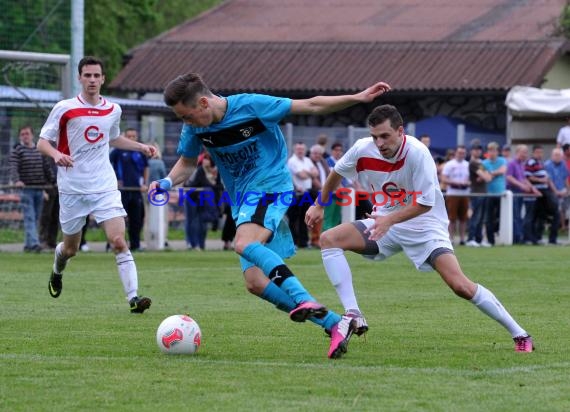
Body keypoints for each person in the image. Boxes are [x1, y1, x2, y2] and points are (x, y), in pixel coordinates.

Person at [150, 72, 391, 358]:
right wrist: (166, 182)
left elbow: (311, 105)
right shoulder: (194, 129)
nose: (185, 123)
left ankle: (304, 300)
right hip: (242, 200)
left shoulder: (251, 106)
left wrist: (357, 97)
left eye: (187, 116)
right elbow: (187, 163)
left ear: (203, 102)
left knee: (242, 243)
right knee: (254, 282)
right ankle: (334, 323)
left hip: (271, 186)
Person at [305, 104, 534, 355]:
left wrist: (389, 220)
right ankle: (354, 313)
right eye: (375, 136)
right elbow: (336, 173)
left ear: (400, 131)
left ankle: (520, 334)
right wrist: (319, 205)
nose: (379, 143)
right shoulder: (362, 149)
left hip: (425, 226)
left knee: (460, 286)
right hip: (387, 224)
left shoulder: (417, 153)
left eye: (385, 136)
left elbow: (424, 204)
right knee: (329, 239)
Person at [37, 56, 154, 313]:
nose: (91, 80)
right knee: (70, 249)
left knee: (118, 241)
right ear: (79, 78)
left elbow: (113, 139)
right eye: (87, 75)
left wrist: (141, 147)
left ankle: (134, 298)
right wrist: (57, 154)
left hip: (104, 185)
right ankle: (57, 269)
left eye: (96, 76)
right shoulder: (64, 108)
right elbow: (42, 142)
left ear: (103, 78)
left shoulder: (113, 110)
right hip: (72, 188)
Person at [9, 125, 55, 253]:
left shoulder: (39, 150)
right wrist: (17, 180)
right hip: (26, 189)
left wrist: (53, 181)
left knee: (35, 218)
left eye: (27, 133)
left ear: (32, 135)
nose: (25, 136)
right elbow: (13, 167)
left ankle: (28, 245)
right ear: (20, 136)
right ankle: (34, 244)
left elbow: (46, 167)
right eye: (22, 134)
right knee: (29, 217)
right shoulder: (17, 150)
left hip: (39, 189)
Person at [110, 128, 149, 252]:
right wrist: (114, 180)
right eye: (129, 136)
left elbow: (146, 168)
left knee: (137, 219)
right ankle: (114, 244)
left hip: (136, 190)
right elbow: (107, 165)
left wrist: (145, 183)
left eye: (134, 136)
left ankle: (135, 244)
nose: (132, 138)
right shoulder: (117, 151)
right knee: (117, 219)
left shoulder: (141, 153)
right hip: (122, 190)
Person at [183, 152, 220, 250]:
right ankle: (191, 243)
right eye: (205, 158)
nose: (206, 160)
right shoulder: (200, 170)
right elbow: (195, 184)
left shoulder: (214, 172)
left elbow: (218, 186)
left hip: (203, 199)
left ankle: (201, 244)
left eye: (208, 159)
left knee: (202, 223)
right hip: (192, 197)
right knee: (191, 221)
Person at [506, 145, 541, 244]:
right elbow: (509, 177)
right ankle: (516, 238)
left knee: (519, 215)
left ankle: (519, 237)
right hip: (513, 192)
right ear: (517, 152)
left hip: (520, 192)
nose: (525, 154)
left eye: (526, 152)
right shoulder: (512, 163)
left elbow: (524, 178)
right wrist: (521, 186)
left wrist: (533, 189)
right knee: (515, 216)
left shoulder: (521, 164)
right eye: (524, 152)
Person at [287, 142, 317, 248]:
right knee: (293, 218)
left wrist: (306, 172)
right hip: (295, 193)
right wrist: (309, 173)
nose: (300, 151)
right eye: (298, 149)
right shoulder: (292, 161)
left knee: (304, 218)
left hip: (307, 193)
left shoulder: (307, 160)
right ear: (295, 149)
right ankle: (293, 242)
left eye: (302, 149)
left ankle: (303, 242)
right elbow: (302, 175)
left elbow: (315, 173)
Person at [441, 145, 470, 245]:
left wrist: (467, 183)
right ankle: (451, 239)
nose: (461, 155)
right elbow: (444, 178)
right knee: (451, 217)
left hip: (465, 193)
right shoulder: (449, 164)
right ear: (456, 153)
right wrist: (455, 183)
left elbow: (471, 179)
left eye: (463, 153)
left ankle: (462, 239)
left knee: (463, 218)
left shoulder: (467, 165)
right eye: (460, 153)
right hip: (453, 193)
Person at [481, 142, 507, 246]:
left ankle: (498, 232)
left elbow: (503, 171)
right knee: (489, 218)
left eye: (494, 150)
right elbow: (484, 176)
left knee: (500, 217)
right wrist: (494, 173)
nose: (492, 152)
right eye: (490, 150)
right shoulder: (484, 163)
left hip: (501, 194)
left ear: (497, 151)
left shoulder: (502, 160)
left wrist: (490, 173)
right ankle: (490, 240)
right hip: (489, 194)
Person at [465, 141, 490, 247]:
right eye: (475, 149)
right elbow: (486, 177)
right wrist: (483, 175)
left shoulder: (481, 163)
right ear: (471, 151)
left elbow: (488, 177)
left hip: (483, 192)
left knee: (482, 218)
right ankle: (471, 238)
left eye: (479, 149)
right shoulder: (473, 163)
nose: (478, 151)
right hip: (476, 193)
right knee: (475, 216)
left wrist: (484, 175)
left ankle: (479, 239)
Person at [308, 144, 330, 248]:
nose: (317, 155)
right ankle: (314, 239)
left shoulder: (323, 162)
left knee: (320, 216)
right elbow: (313, 178)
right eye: (315, 153)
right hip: (313, 192)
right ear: (311, 153)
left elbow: (329, 175)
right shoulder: (308, 162)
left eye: (319, 154)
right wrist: (323, 189)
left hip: (323, 193)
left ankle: (316, 238)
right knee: (314, 215)